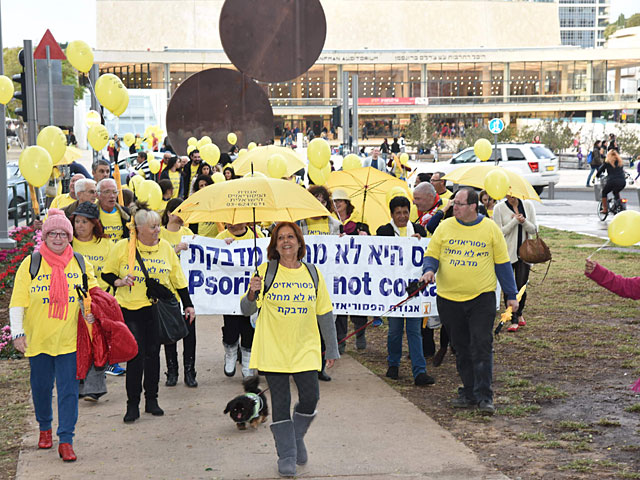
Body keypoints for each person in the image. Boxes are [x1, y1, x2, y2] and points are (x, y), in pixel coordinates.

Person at [240, 222, 339, 478]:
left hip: (305, 347)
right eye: (281, 237)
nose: (286, 241)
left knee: (310, 398)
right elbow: (246, 310)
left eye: (291, 237)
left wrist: (332, 349)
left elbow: (325, 313)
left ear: (299, 242)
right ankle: (286, 454)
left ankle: (295, 437)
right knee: (281, 403)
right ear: (274, 244)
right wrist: (252, 293)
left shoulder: (312, 273)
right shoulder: (265, 271)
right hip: (273, 347)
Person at [9, 210, 98, 462]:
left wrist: (91, 314)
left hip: (69, 340)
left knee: (69, 391)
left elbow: (92, 295)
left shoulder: (79, 263)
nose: (58, 238)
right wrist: (17, 333)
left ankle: (66, 439)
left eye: (63, 234)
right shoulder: (32, 263)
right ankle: (45, 427)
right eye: (52, 234)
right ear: (45, 236)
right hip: (38, 340)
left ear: (69, 237)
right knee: (41, 387)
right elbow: (18, 301)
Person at [420, 187, 518, 415]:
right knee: (461, 347)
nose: (454, 207)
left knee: (481, 345)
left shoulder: (490, 229)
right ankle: (469, 391)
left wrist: (511, 295)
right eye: (454, 203)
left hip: (480, 298)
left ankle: (485, 397)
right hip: (449, 299)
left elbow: (502, 264)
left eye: (459, 204)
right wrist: (428, 271)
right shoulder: (444, 227)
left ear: (473, 206)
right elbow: (431, 255)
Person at [101, 204, 196, 423]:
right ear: (139, 228)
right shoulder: (124, 247)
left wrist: (188, 304)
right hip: (130, 309)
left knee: (153, 355)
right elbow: (107, 273)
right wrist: (120, 281)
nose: (157, 230)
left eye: (158, 226)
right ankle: (132, 404)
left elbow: (177, 278)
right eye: (153, 227)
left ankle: (151, 400)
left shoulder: (165, 247)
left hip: (155, 309)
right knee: (136, 356)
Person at [377, 196, 435, 386]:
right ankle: (393, 364)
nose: (402, 216)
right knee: (394, 330)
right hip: (392, 290)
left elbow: (426, 255)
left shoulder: (418, 230)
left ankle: (419, 371)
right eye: (398, 213)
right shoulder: (383, 231)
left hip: (413, 289)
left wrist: (418, 242)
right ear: (392, 214)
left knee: (414, 331)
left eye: (405, 212)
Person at [297, 185, 342, 380]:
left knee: (323, 323)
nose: (319, 204)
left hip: (326, 282)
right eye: (315, 200)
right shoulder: (298, 224)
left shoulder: (334, 224)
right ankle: (301, 365)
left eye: (322, 201)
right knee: (303, 326)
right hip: (303, 281)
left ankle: (320, 366)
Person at [71, 201, 114, 401]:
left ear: (94, 224)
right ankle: (79, 384)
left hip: (99, 301)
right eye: (77, 221)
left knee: (98, 343)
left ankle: (95, 387)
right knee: (79, 344)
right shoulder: (68, 244)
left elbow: (114, 270)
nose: (79, 225)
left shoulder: (106, 244)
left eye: (84, 222)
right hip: (74, 303)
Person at [216, 222, 264, 379]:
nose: (231, 224)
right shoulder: (221, 237)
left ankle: (248, 362)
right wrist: (222, 247)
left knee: (249, 329)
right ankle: (230, 353)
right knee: (231, 328)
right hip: (229, 295)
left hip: (249, 293)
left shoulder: (257, 235)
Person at [411, 182, 451, 366]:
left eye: (418, 199)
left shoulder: (446, 208)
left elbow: (433, 228)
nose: (414, 202)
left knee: (445, 312)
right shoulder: (416, 211)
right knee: (423, 308)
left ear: (429, 196)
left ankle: (447, 347)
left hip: (446, 268)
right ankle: (427, 348)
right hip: (425, 268)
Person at [159, 198, 197, 387]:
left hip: (189, 292)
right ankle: (171, 371)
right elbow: (157, 256)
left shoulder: (189, 233)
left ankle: (190, 371)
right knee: (170, 334)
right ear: (169, 213)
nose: (182, 217)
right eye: (179, 212)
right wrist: (175, 250)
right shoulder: (161, 235)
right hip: (169, 294)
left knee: (190, 334)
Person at [331, 188, 370, 351]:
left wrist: (364, 234)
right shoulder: (330, 222)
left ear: (347, 203)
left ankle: (360, 334)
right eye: (335, 201)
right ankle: (340, 339)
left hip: (355, 269)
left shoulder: (359, 220)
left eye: (340, 201)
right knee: (339, 306)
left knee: (357, 304)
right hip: (338, 269)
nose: (337, 204)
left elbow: (370, 240)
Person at [492, 195, 537, 332]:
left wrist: (523, 222)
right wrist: (514, 222)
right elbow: (499, 232)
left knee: (521, 285)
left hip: (524, 253)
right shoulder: (499, 208)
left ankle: (519, 312)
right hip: (506, 254)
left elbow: (534, 229)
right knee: (509, 287)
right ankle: (513, 318)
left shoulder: (528, 205)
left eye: (513, 194)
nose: (511, 197)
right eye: (508, 194)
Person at [597, 150, 626, 215]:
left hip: (612, 181)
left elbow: (600, 170)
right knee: (616, 191)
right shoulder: (620, 162)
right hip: (622, 181)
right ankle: (618, 204)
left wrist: (597, 175)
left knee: (604, 192)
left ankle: (605, 209)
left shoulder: (607, 162)